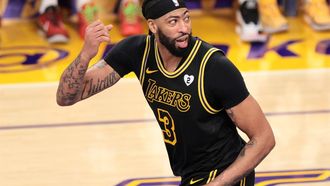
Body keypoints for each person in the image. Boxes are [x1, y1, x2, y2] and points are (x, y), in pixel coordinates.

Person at [56, 0, 275, 185]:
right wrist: (86, 54)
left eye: (186, 18)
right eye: (173, 21)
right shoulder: (137, 51)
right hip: (190, 173)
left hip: (223, 174)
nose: (184, 28)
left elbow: (264, 138)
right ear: (152, 26)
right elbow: (66, 97)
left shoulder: (214, 67)